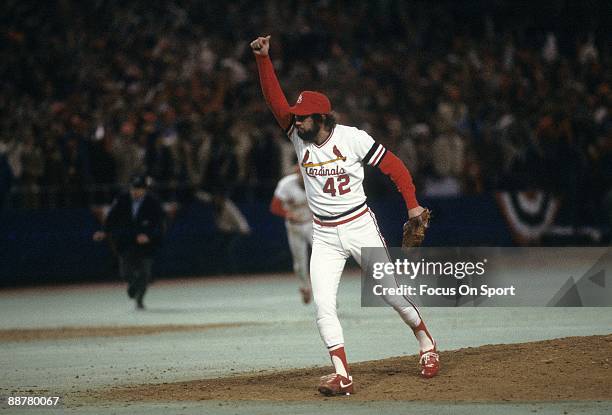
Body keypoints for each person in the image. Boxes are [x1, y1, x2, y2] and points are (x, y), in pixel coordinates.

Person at [251, 35, 439, 396]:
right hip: (323, 235)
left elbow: (395, 167)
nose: (295, 120)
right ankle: (342, 374)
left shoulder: (353, 138)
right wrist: (264, 59)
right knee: (323, 304)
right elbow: (274, 101)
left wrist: (412, 204)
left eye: (302, 117)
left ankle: (426, 345)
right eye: (296, 116)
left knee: (391, 294)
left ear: (320, 117)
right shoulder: (296, 136)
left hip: (359, 227)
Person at [93, 175, 166, 309]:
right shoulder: (122, 199)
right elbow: (111, 217)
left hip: (146, 245)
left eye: (138, 189)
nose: (135, 192)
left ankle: (139, 300)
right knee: (125, 272)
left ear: (145, 190)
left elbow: (159, 224)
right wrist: (104, 231)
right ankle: (133, 284)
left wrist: (148, 236)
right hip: (126, 241)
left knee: (145, 273)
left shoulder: (153, 202)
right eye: (133, 189)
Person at [270, 167, 313, 304]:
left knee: (322, 258)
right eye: (301, 172)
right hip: (294, 227)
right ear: (297, 172)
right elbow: (274, 207)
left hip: (313, 224)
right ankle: (305, 287)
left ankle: (327, 293)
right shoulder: (286, 184)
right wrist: (288, 214)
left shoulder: (318, 181)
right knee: (300, 262)